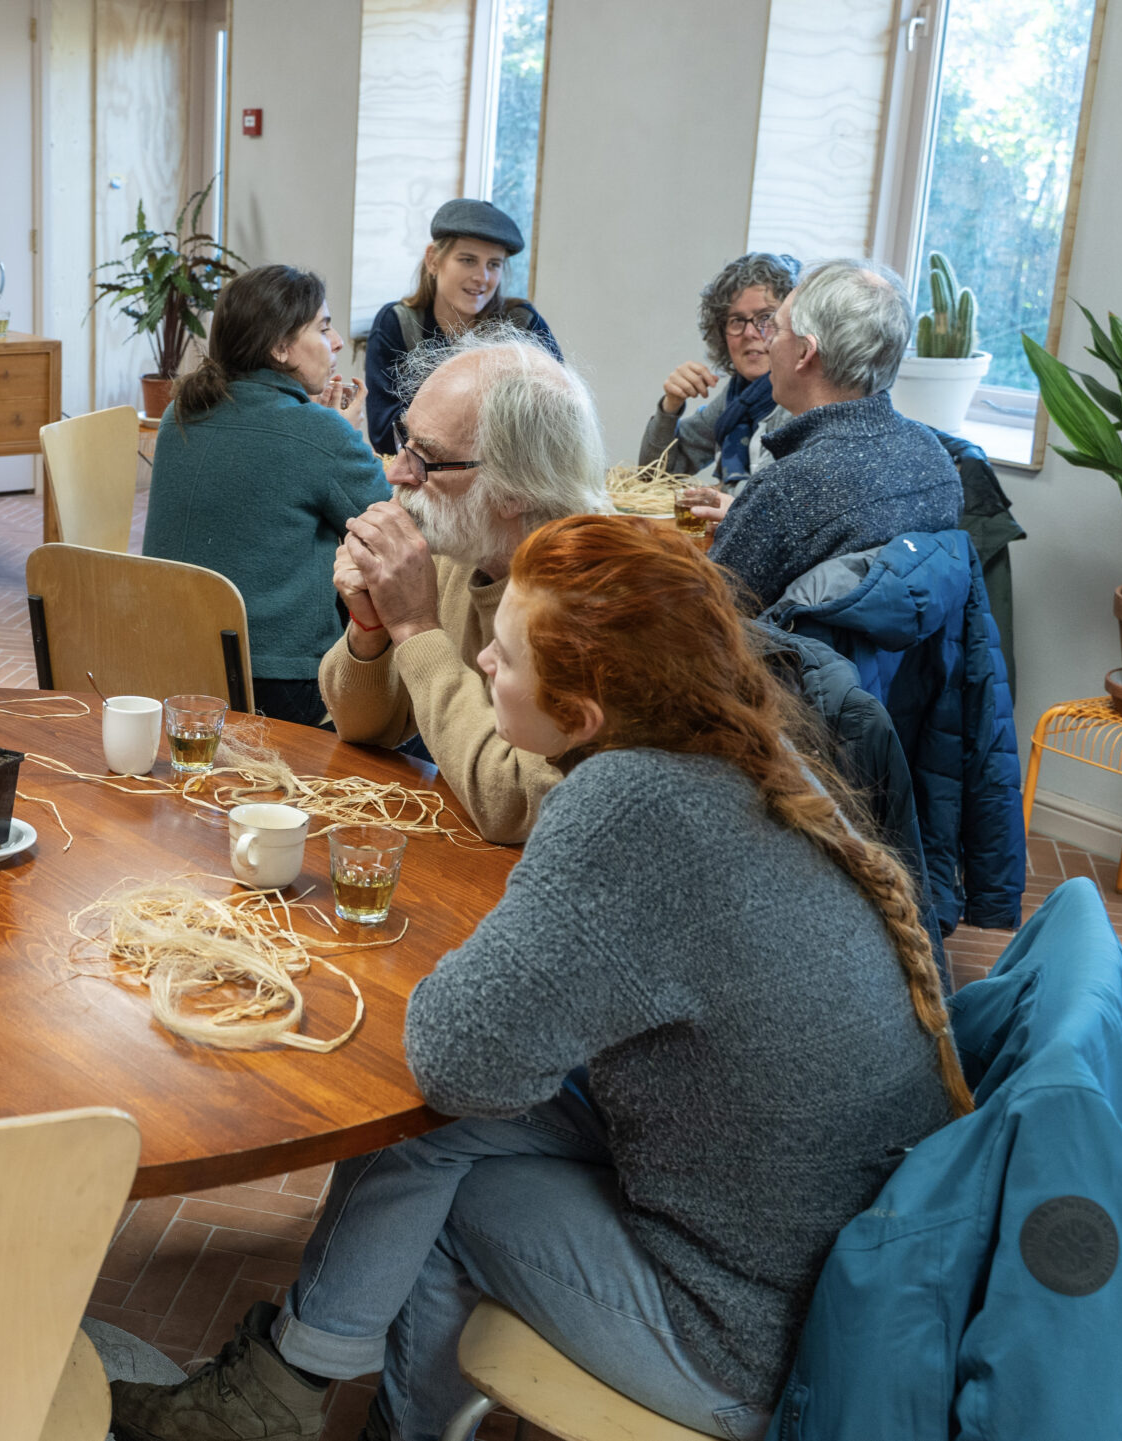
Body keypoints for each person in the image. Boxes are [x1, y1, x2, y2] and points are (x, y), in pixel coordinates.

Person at [111, 516, 970, 1441]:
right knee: (435, 1131)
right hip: (829, 1261)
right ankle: (278, 1392)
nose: (481, 659)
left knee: (442, 1155)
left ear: (584, 714)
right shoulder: (745, 749)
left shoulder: (628, 805)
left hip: (751, 1338)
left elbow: (454, 1059)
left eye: (506, 655)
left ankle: (352, 1419)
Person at [320, 333, 606, 842]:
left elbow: (516, 804)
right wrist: (371, 626)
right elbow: (366, 728)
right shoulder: (465, 542)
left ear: (516, 488)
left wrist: (414, 626)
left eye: (426, 459)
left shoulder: (592, 595)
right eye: (405, 442)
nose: (396, 471)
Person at [140, 264, 387, 727]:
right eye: (323, 328)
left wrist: (325, 430)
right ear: (279, 347)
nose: (336, 342)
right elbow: (388, 525)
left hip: (172, 671)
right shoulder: (319, 433)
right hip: (276, 686)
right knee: (409, 716)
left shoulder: (180, 413)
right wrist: (347, 436)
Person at [698, 259, 963, 608]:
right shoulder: (934, 457)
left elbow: (710, 619)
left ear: (805, 352)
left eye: (774, 329)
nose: (766, 342)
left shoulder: (785, 490)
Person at [362, 199, 558, 456]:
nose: (482, 277)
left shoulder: (523, 324)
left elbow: (559, 416)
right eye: (468, 260)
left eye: (494, 264)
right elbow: (385, 435)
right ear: (433, 260)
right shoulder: (398, 324)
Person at [639, 252, 800, 482]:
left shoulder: (803, 402)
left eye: (766, 317)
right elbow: (652, 475)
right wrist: (671, 405)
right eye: (737, 320)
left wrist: (722, 495)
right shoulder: (736, 399)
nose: (749, 332)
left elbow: (782, 494)